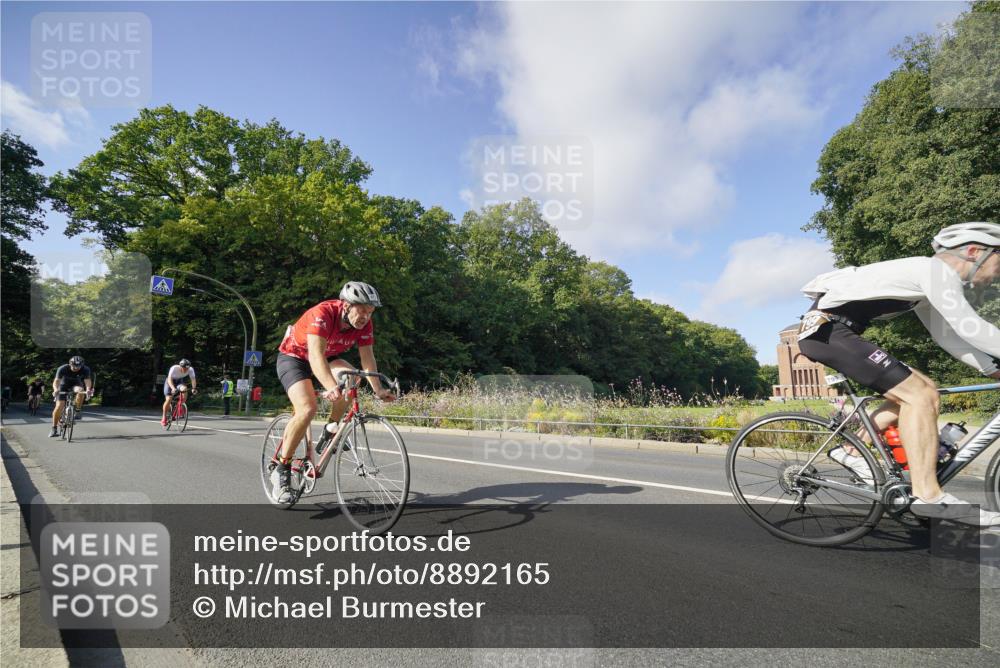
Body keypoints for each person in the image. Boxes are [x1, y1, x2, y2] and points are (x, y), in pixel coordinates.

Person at [797, 222, 1000, 526]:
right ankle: (928, 496)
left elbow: (948, 336)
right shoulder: (934, 272)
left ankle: (851, 450)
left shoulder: (927, 283)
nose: (997, 273)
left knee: (924, 389)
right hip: (829, 332)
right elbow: (969, 325)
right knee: (920, 395)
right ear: (974, 252)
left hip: (835, 333)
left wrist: (991, 368)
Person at [270, 281, 397, 503]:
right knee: (308, 408)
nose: (366, 316)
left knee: (352, 377)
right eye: (362, 310)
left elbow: (367, 359)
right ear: (346, 305)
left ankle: (329, 432)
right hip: (296, 357)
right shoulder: (323, 313)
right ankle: (281, 468)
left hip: (327, 357)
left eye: (370, 312)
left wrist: (378, 390)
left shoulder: (364, 324)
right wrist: (331, 386)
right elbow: (315, 355)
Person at [49, 356, 94, 437]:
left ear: (82, 365)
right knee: (59, 406)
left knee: (81, 391)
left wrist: (88, 389)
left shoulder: (85, 369)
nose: (76, 368)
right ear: (70, 364)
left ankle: (77, 410)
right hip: (63, 385)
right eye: (74, 366)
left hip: (76, 384)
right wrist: (55, 389)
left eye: (78, 366)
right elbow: (57, 381)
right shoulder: (62, 368)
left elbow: (87, 380)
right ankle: (54, 428)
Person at [161, 359, 198, 426]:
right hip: (170, 382)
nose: (185, 370)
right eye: (184, 368)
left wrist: (194, 388)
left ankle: (179, 407)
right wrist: (173, 388)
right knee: (169, 399)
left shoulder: (190, 369)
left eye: (187, 369)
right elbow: (169, 379)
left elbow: (193, 379)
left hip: (179, 382)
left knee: (184, 389)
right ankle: (164, 417)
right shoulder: (174, 368)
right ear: (180, 366)